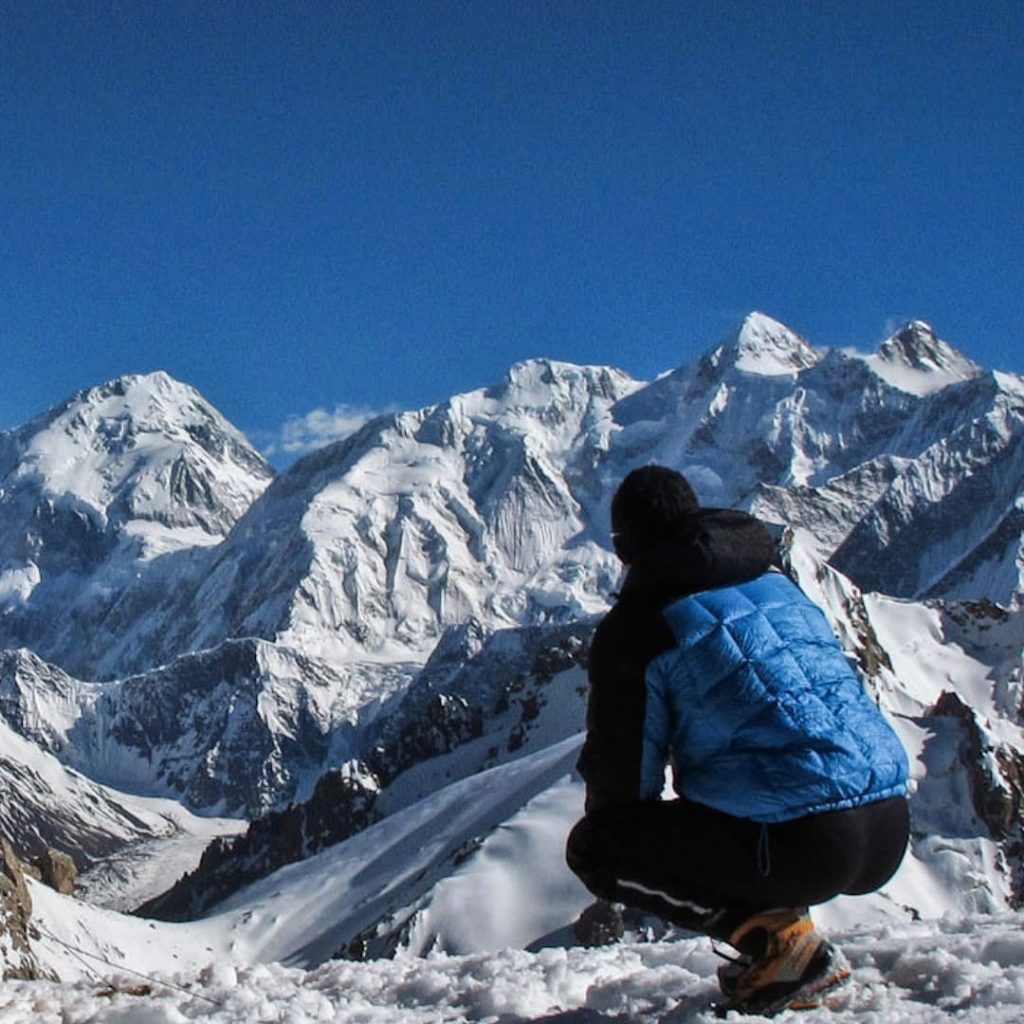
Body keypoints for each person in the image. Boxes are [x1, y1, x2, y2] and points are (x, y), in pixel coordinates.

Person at [566, 465, 910, 1017]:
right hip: (890, 824)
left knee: (599, 847)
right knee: (758, 788)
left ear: (624, 545)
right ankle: (782, 937)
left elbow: (623, 783)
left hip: (809, 843)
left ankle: (781, 945)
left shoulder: (641, 626)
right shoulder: (778, 583)